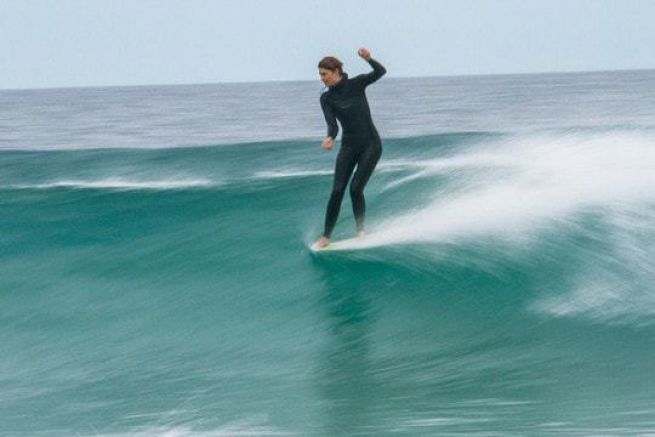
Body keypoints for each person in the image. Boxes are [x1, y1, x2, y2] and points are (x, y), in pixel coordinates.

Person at [313, 48, 386, 250]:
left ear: (336, 71)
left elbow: (380, 72)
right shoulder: (326, 98)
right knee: (337, 191)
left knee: (355, 189)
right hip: (348, 145)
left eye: (324, 74)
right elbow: (333, 124)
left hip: (371, 144)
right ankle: (326, 237)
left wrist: (369, 59)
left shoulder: (356, 84)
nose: (321, 78)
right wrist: (330, 137)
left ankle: (361, 230)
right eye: (320, 74)